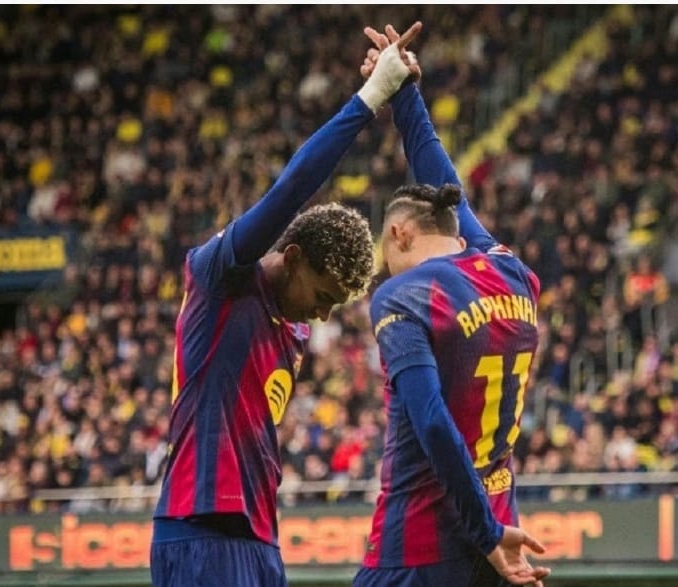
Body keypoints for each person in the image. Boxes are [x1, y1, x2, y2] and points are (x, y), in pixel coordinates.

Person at [150, 23, 424, 587]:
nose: (321, 317)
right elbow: (290, 190)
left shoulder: (292, 329)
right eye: (322, 297)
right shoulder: (222, 277)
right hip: (199, 528)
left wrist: (407, 101)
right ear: (292, 257)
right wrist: (371, 98)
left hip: (258, 535)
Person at [353, 25, 550, 587]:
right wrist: (403, 91)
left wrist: (483, 532)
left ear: (399, 233)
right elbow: (444, 181)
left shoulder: (404, 296)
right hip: (499, 536)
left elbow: (435, 426)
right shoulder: (513, 273)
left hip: (421, 544)